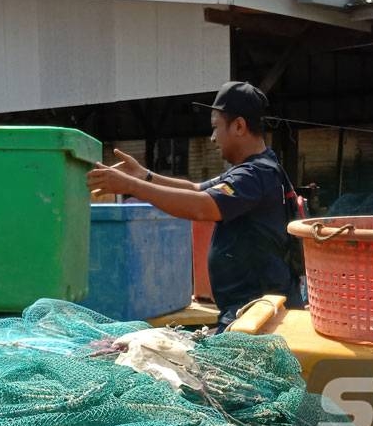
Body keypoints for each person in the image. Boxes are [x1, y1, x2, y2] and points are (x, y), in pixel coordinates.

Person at [86, 81, 302, 331]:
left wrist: (132, 187)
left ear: (239, 126)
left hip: (256, 315)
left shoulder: (255, 174)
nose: (212, 138)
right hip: (247, 308)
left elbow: (202, 207)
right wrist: (143, 175)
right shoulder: (257, 167)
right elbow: (196, 189)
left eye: (215, 128)